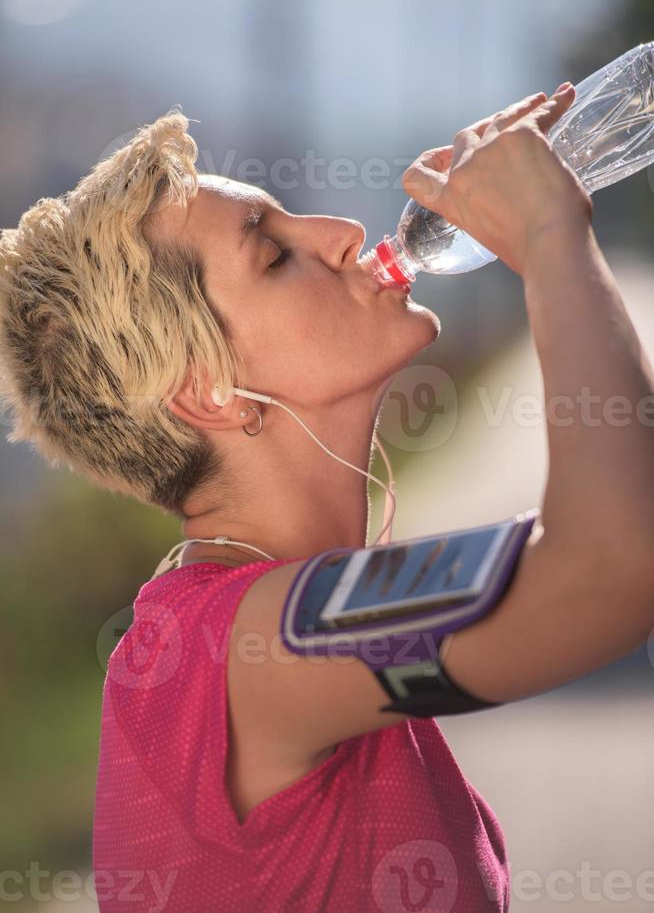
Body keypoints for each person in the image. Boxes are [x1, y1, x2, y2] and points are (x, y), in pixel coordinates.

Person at [1, 86, 652, 912]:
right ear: (209, 393)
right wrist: (553, 238)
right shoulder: (230, 653)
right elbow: (609, 572)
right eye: (272, 254)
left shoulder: (243, 624)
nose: (342, 235)